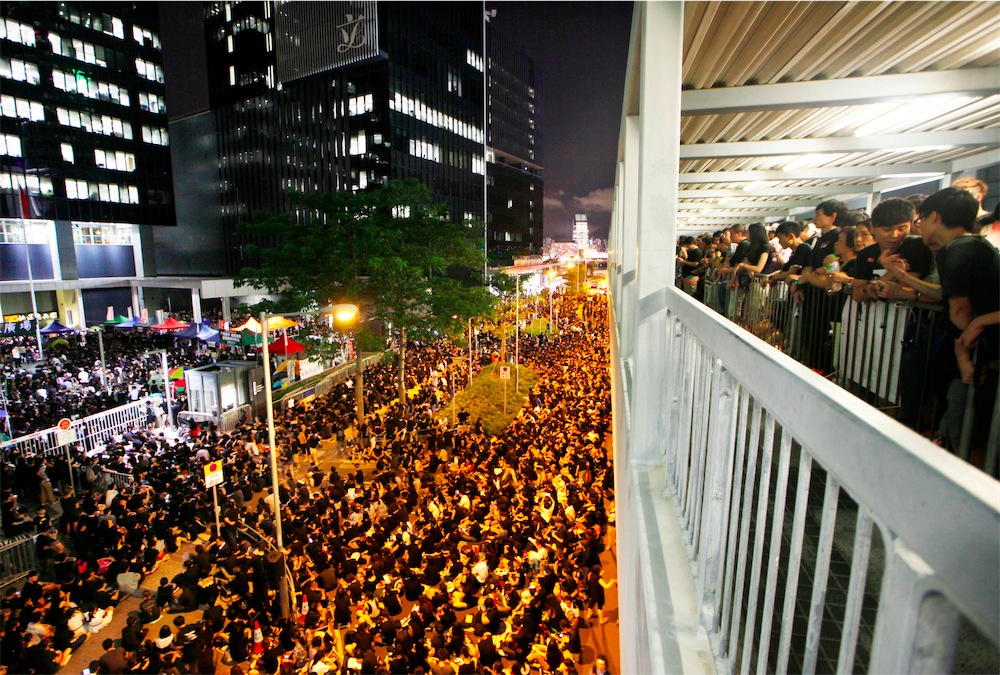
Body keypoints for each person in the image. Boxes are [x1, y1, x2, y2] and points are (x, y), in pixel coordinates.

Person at [918, 187, 1000, 455]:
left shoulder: (956, 250)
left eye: (920, 221)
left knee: (964, 429)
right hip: (985, 353)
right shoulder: (980, 246)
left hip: (978, 359)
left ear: (934, 217)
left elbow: (960, 311)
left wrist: (964, 353)